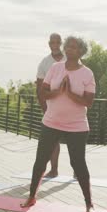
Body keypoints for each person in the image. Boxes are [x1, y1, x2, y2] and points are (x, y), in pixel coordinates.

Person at [21, 36, 96, 212]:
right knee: (40, 161)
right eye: (67, 46)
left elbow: (89, 102)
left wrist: (69, 93)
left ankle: (89, 204)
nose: (69, 49)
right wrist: (57, 92)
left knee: (77, 164)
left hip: (77, 125)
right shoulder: (55, 68)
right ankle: (31, 197)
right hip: (51, 122)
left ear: (81, 51)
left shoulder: (87, 73)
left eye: (74, 47)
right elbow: (43, 92)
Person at [36, 33, 69, 178]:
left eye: (57, 42)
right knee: (53, 139)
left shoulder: (70, 59)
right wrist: (45, 108)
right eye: (52, 42)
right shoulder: (44, 63)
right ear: (49, 44)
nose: (55, 45)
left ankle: (77, 170)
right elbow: (39, 87)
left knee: (74, 139)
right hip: (52, 107)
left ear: (61, 44)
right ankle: (54, 169)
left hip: (71, 106)